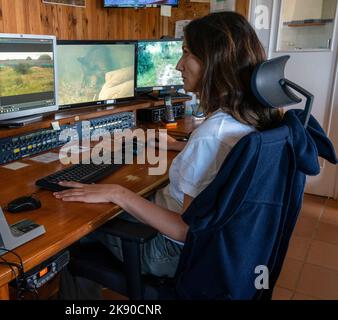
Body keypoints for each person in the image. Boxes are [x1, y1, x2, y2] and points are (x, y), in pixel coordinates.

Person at [54, 11, 284, 289]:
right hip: (231, 249)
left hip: (170, 251)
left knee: (73, 222)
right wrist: (177, 145)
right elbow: (219, 159)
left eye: (186, 52)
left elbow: (185, 230)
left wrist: (118, 192)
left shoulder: (212, 136)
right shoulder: (255, 117)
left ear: (214, 61)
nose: (178, 65)